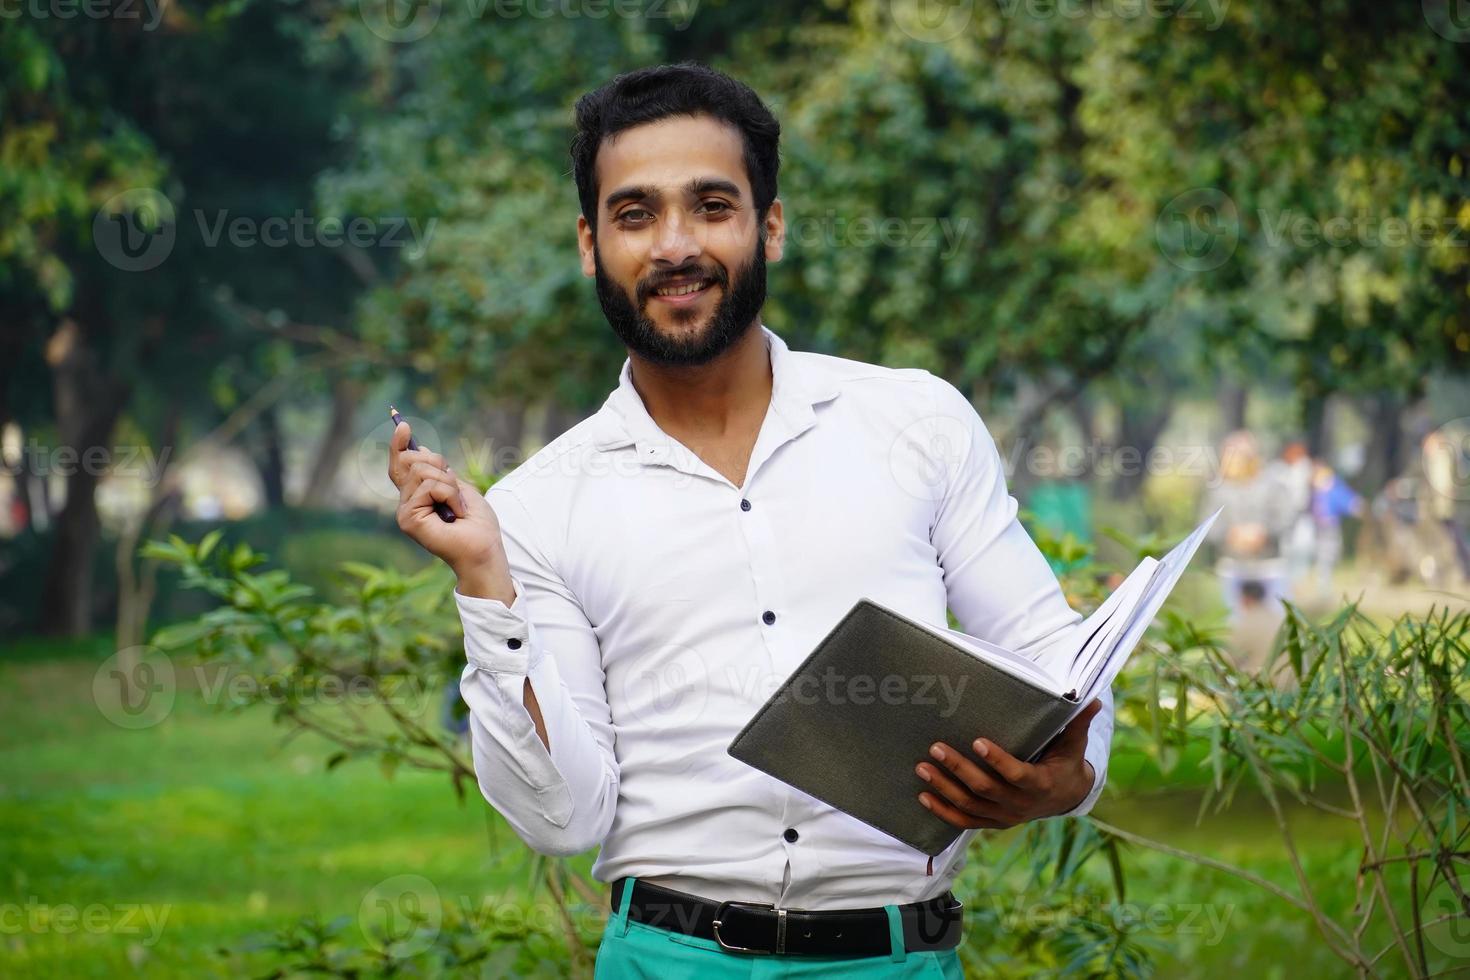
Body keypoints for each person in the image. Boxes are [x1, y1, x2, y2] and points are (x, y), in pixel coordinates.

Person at [387, 64, 1112, 978]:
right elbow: (563, 818)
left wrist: (1069, 781)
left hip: (901, 961)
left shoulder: (915, 423)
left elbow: (1055, 648)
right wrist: (486, 587)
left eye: (712, 205)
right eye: (635, 213)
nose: (673, 245)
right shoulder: (536, 509)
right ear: (589, 243)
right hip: (669, 962)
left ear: (769, 224)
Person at [1201, 430, 1295, 619]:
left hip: (1268, 565)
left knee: (1277, 623)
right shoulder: (1218, 490)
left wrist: (1263, 533)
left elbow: (1286, 518)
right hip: (1233, 566)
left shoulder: (1273, 485)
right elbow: (1207, 527)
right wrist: (1232, 534)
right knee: (1235, 625)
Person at [1308, 461, 1362, 604]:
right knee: (1324, 559)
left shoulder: (1332, 490)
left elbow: (1349, 502)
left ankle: (1324, 587)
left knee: (1330, 556)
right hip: (1321, 529)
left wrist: (1356, 506)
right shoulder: (1316, 492)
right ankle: (1323, 589)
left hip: (1329, 528)